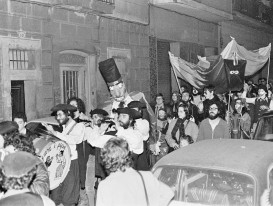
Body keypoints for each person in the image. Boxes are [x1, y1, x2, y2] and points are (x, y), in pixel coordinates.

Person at [98, 58, 157, 167]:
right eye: (112, 89)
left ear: (124, 84)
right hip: (117, 152)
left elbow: (151, 120)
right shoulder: (108, 107)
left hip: (138, 150)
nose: (117, 93)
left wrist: (153, 141)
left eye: (119, 87)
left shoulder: (138, 98)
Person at [96, 137, 174, 206]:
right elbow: (168, 193)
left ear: (106, 160)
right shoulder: (146, 176)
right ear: (129, 155)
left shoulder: (105, 185)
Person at [43, 104, 85, 206]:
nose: (58, 118)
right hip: (59, 165)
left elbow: (75, 139)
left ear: (69, 114)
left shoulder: (79, 126)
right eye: (57, 115)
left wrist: (55, 133)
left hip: (72, 164)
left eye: (60, 115)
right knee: (56, 196)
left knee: (69, 198)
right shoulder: (62, 128)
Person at [67, 97, 92, 206]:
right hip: (72, 150)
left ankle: (83, 197)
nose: (72, 109)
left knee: (82, 171)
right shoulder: (68, 121)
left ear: (79, 107)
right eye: (70, 106)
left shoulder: (84, 119)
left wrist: (88, 120)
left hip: (82, 149)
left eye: (74, 106)